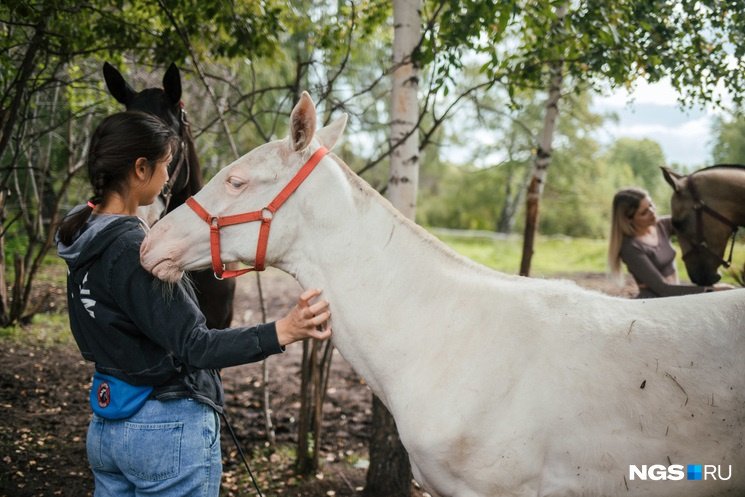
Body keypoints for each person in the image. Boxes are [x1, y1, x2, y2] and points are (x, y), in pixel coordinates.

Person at [56, 111, 332, 496]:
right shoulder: (131, 249)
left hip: (107, 430)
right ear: (140, 168)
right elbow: (197, 347)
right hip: (163, 429)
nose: (169, 177)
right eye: (166, 165)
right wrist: (285, 330)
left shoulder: (80, 234)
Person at [608, 186, 733, 298]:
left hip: (674, 299)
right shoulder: (630, 247)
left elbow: (696, 221)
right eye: (644, 212)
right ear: (629, 219)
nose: (652, 212)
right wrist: (712, 290)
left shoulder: (662, 225)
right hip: (654, 304)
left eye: (651, 205)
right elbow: (663, 289)